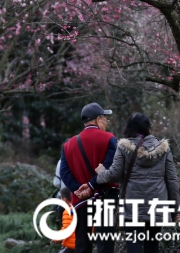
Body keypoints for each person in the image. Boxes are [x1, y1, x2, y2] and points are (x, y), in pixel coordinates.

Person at [93, 113, 180, 253]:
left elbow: (114, 174)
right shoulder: (164, 148)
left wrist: (100, 173)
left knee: (133, 247)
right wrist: (175, 208)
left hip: (132, 207)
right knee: (152, 247)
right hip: (157, 206)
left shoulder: (123, 147)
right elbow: (172, 181)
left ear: (130, 128)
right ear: (148, 129)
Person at [59, 102, 119, 253]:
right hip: (105, 198)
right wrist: (91, 186)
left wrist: (79, 189)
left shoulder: (68, 145)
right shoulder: (109, 139)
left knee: (82, 244)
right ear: (98, 119)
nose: (107, 122)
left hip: (81, 201)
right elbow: (110, 166)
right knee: (105, 243)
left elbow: (64, 173)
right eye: (106, 118)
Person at [53, 187, 76, 253]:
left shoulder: (67, 211)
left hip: (70, 246)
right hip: (82, 245)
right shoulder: (81, 210)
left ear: (65, 199)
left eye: (61, 198)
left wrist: (56, 238)